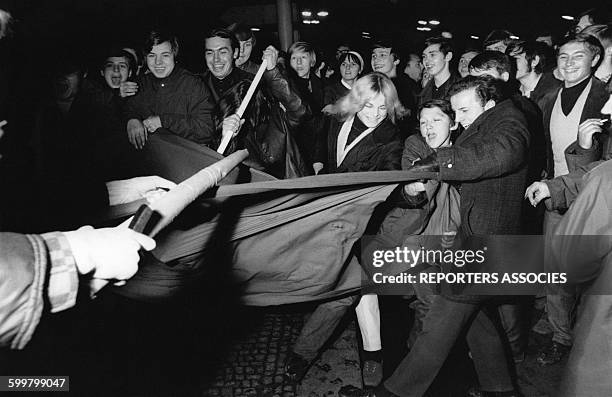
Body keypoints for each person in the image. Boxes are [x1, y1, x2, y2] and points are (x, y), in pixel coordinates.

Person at [369, 75, 529, 397]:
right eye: (455, 113)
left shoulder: (510, 123)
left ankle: (395, 392)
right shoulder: (486, 124)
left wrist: (437, 161)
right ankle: (500, 388)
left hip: (486, 242)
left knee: (442, 321)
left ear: (490, 104)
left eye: (465, 111)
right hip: (473, 239)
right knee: (476, 320)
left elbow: (499, 154)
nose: (461, 122)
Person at [285, 72, 407, 386]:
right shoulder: (337, 119)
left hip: (365, 224)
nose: (376, 114)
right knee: (353, 292)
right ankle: (371, 361)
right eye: (369, 106)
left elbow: (391, 178)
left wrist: (410, 191)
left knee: (350, 292)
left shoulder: (391, 138)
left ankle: (311, 354)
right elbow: (320, 146)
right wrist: (318, 165)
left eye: (383, 108)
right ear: (355, 101)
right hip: (329, 218)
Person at [531, 33, 608, 365]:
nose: (569, 63)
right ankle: (562, 337)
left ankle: (589, 340)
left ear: (594, 60)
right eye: (563, 56)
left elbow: (604, 164)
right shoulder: (547, 99)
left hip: (594, 198)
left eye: (578, 56)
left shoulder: (606, 100)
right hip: (556, 196)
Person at [214, 45, 310, 178]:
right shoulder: (227, 127)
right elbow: (218, 168)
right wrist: (226, 137)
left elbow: (299, 110)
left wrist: (272, 72)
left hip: (285, 187)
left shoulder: (277, 118)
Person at [125, 30, 215, 148]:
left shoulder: (193, 85)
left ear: (174, 55)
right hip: (151, 157)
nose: (158, 62)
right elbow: (126, 109)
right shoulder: (141, 83)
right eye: (152, 56)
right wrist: (131, 119)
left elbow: (206, 129)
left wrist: (163, 121)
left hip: (184, 157)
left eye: (165, 55)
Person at [418, 36, 460, 108]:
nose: (427, 61)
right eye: (424, 56)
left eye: (432, 55)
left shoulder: (460, 88)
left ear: (448, 56)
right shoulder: (425, 90)